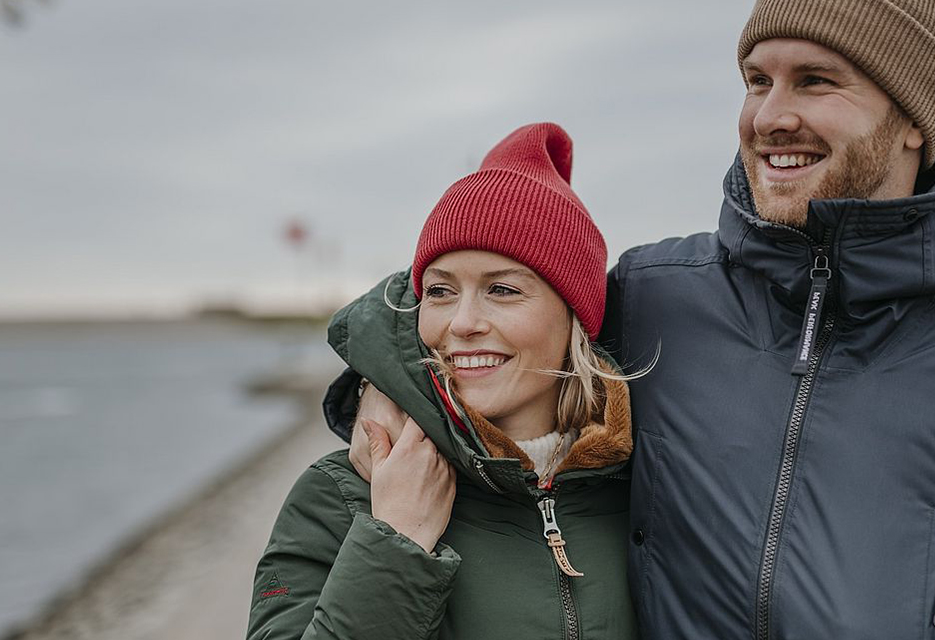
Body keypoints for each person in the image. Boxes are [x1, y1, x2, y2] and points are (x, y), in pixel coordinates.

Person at [331, 1, 935, 638]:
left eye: (815, 82)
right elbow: (492, 311)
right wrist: (386, 389)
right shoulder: (653, 297)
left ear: (913, 119)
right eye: (758, 80)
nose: (769, 116)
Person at [247, 122, 642, 640]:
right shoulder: (344, 492)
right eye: (439, 291)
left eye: (502, 289)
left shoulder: (645, 483)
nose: (462, 322)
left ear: (575, 318)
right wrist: (395, 542)